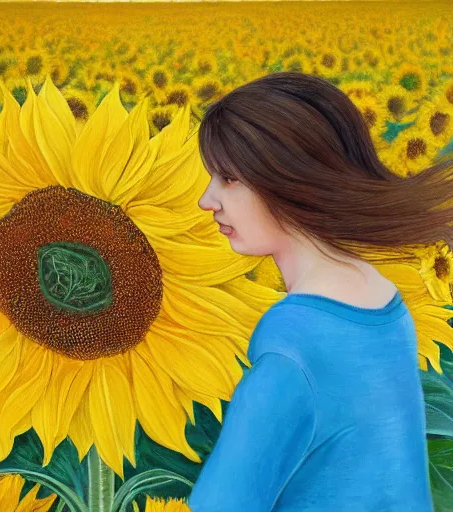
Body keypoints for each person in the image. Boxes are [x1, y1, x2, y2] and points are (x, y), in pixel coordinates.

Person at [187, 71, 453, 511]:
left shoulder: (292, 351)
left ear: (287, 178)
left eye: (229, 178)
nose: (207, 199)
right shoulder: (381, 300)